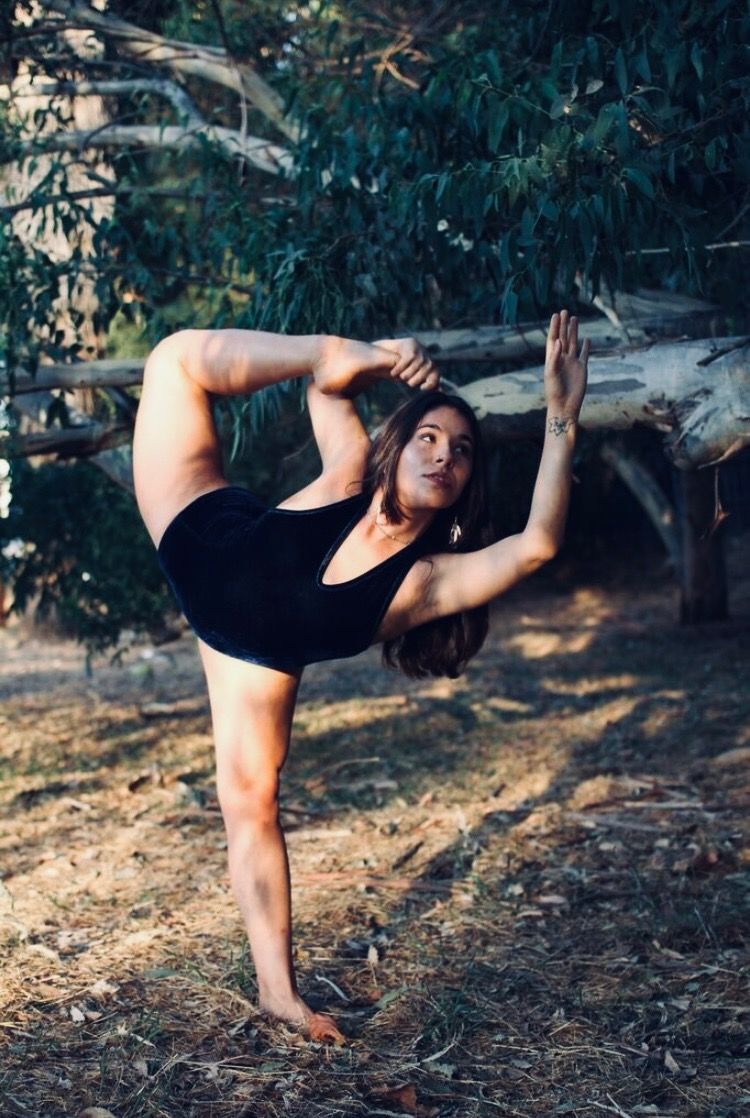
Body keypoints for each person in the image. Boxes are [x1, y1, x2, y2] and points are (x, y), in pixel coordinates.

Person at [133, 311, 589, 1043]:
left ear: (467, 481)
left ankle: (278, 994)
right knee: (174, 358)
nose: (444, 456)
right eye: (429, 438)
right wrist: (374, 360)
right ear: (398, 445)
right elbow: (326, 387)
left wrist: (562, 416)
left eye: (462, 451)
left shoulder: (425, 583)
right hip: (200, 531)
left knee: (251, 805)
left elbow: (537, 544)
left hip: (250, 656)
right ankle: (327, 334)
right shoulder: (351, 468)